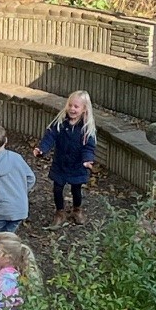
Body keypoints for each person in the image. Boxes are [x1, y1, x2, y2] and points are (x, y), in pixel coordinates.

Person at [38, 90, 99, 225]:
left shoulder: (86, 129)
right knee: (57, 188)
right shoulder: (60, 123)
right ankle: (60, 211)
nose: (72, 109)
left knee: (76, 189)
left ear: (84, 109)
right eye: (70, 105)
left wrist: (87, 159)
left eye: (76, 107)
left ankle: (77, 209)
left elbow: (89, 147)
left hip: (77, 165)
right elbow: (50, 137)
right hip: (60, 164)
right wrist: (42, 149)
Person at [0, 124, 35, 247]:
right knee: (7, 236)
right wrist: (22, 193)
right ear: (6, 140)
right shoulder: (16, 158)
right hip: (20, 208)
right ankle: (8, 257)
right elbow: (31, 178)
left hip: (0, 210)